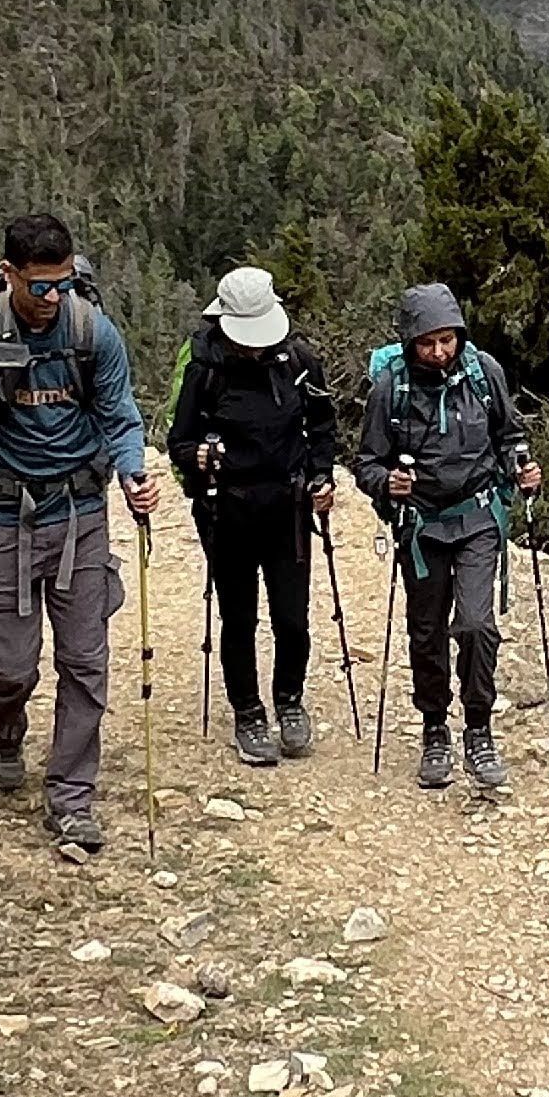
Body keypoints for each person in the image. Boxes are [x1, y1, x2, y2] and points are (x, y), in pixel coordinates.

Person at [0, 213, 157, 852]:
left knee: (85, 663)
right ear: (10, 275)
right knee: (10, 666)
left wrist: (134, 474)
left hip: (81, 515)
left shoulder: (93, 332)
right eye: (39, 286)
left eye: (62, 284)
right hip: (4, 519)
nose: (53, 298)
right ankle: (5, 731)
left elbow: (121, 416)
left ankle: (71, 797)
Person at [356, 281, 539, 793]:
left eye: (447, 340)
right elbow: (366, 462)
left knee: (477, 625)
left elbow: (509, 435)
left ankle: (479, 729)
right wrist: (387, 483)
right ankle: (435, 728)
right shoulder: (390, 389)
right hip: (420, 527)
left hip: (478, 517)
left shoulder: (484, 373)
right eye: (427, 343)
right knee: (427, 632)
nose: (439, 352)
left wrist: (522, 468)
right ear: (410, 342)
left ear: (459, 334)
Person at [165, 267, 341, 769]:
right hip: (226, 509)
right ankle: (248, 712)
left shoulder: (299, 360)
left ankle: (290, 700)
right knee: (238, 617)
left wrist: (321, 476)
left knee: (292, 617)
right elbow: (178, 441)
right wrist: (198, 456)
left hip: (288, 506)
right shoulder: (203, 364)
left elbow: (321, 425)